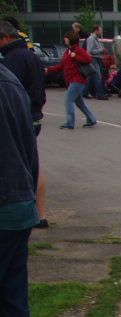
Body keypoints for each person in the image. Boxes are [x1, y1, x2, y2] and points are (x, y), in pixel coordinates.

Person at [0, 64, 41, 317]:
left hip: (6, 205)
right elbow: (31, 151)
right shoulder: (11, 82)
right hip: (18, 207)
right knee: (14, 306)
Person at [0, 20, 48, 228]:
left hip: (22, 117)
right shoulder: (31, 55)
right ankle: (40, 213)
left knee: (22, 166)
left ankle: (34, 212)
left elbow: (9, 94)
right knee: (32, 163)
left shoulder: (12, 59)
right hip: (34, 114)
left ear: (4, 38)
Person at [47, 31, 97, 128]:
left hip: (77, 80)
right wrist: (48, 70)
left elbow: (89, 59)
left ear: (70, 39)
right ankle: (91, 118)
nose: (64, 39)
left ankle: (70, 122)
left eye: (66, 37)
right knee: (79, 103)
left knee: (68, 100)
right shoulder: (68, 51)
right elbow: (61, 66)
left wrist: (76, 57)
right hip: (72, 80)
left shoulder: (78, 50)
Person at [85, 25, 108, 100]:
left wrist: (101, 51)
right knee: (98, 77)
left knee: (91, 77)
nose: (101, 32)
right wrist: (101, 50)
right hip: (93, 59)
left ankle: (85, 92)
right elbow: (90, 50)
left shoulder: (96, 39)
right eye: (100, 30)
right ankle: (99, 94)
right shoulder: (91, 39)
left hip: (97, 58)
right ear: (96, 30)